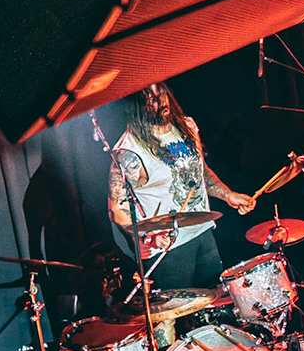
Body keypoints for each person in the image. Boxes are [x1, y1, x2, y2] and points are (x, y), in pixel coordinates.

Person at [107, 82, 256, 289]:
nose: (161, 102)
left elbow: (200, 171)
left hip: (202, 230)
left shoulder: (186, 127)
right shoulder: (130, 150)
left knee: (216, 301)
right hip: (168, 248)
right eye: (151, 99)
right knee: (176, 309)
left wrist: (228, 195)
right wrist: (143, 236)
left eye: (162, 94)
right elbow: (117, 208)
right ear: (137, 107)